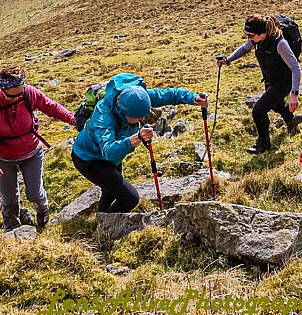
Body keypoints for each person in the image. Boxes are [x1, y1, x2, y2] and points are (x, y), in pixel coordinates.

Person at [71, 72, 208, 213]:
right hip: (88, 158)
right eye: (137, 117)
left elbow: (167, 94)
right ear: (123, 112)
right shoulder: (103, 114)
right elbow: (108, 152)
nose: (142, 118)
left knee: (110, 191)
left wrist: (193, 98)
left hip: (112, 157)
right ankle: (109, 227)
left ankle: (103, 220)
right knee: (129, 198)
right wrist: (136, 138)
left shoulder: (137, 97)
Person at [0, 66, 76, 230]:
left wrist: (73, 119)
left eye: (19, 94)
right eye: (11, 96)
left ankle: (43, 214)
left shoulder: (28, 93)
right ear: (1, 90)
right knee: (9, 199)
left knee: (35, 193)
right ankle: (12, 230)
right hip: (1, 158)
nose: (16, 99)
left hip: (32, 152)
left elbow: (52, 107)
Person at [217, 14, 302, 154]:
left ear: (262, 33)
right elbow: (244, 48)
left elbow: (295, 68)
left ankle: (263, 143)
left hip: (283, 82)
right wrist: (228, 60)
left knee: (258, 111)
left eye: (251, 35)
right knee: (276, 104)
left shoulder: (280, 44)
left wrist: (294, 94)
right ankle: (292, 120)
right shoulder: (257, 40)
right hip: (270, 79)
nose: (248, 38)